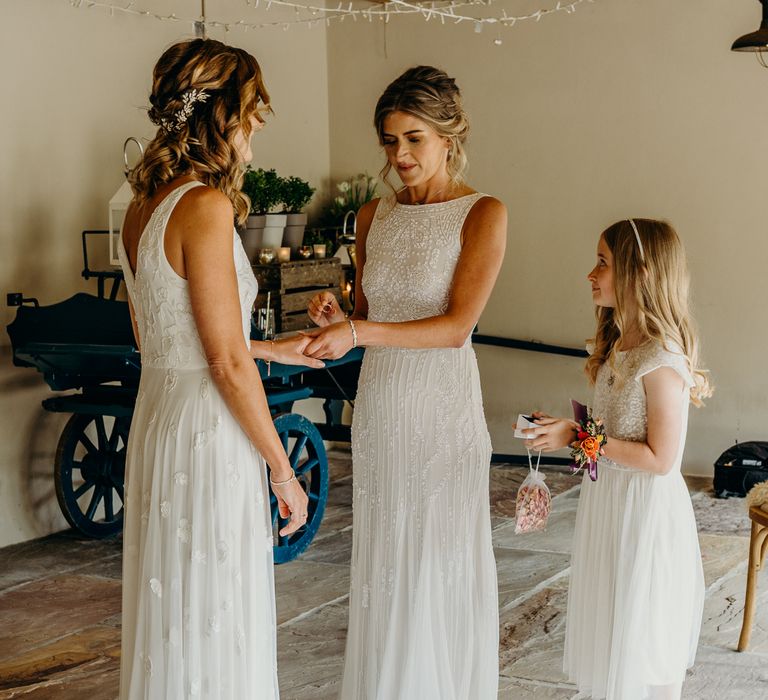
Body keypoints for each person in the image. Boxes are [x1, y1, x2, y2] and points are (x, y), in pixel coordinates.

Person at [117, 38, 319, 699]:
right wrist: (283, 471)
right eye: (253, 108)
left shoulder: (140, 208)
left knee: (178, 599)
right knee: (216, 596)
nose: (259, 121)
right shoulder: (203, 205)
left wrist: (269, 349)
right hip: (208, 430)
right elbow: (223, 360)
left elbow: (162, 338)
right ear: (224, 113)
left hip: (161, 418)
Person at [304, 66, 507, 699]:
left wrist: (359, 334)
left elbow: (453, 328)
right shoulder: (373, 216)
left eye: (414, 139)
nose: (400, 156)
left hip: (441, 408)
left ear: (450, 135)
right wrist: (342, 319)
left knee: (434, 557)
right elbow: (369, 312)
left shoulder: (483, 213)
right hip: (382, 408)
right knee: (388, 558)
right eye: (390, 141)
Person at [523, 219, 712, 700]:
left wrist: (579, 435)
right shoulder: (620, 347)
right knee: (613, 637)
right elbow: (605, 435)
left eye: (603, 262)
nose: (591, 273)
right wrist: (564, 432)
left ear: (641, 273)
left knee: (643, 644)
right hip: (610, 507)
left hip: (645, 517)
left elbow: (661, 459)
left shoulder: (661, 358)